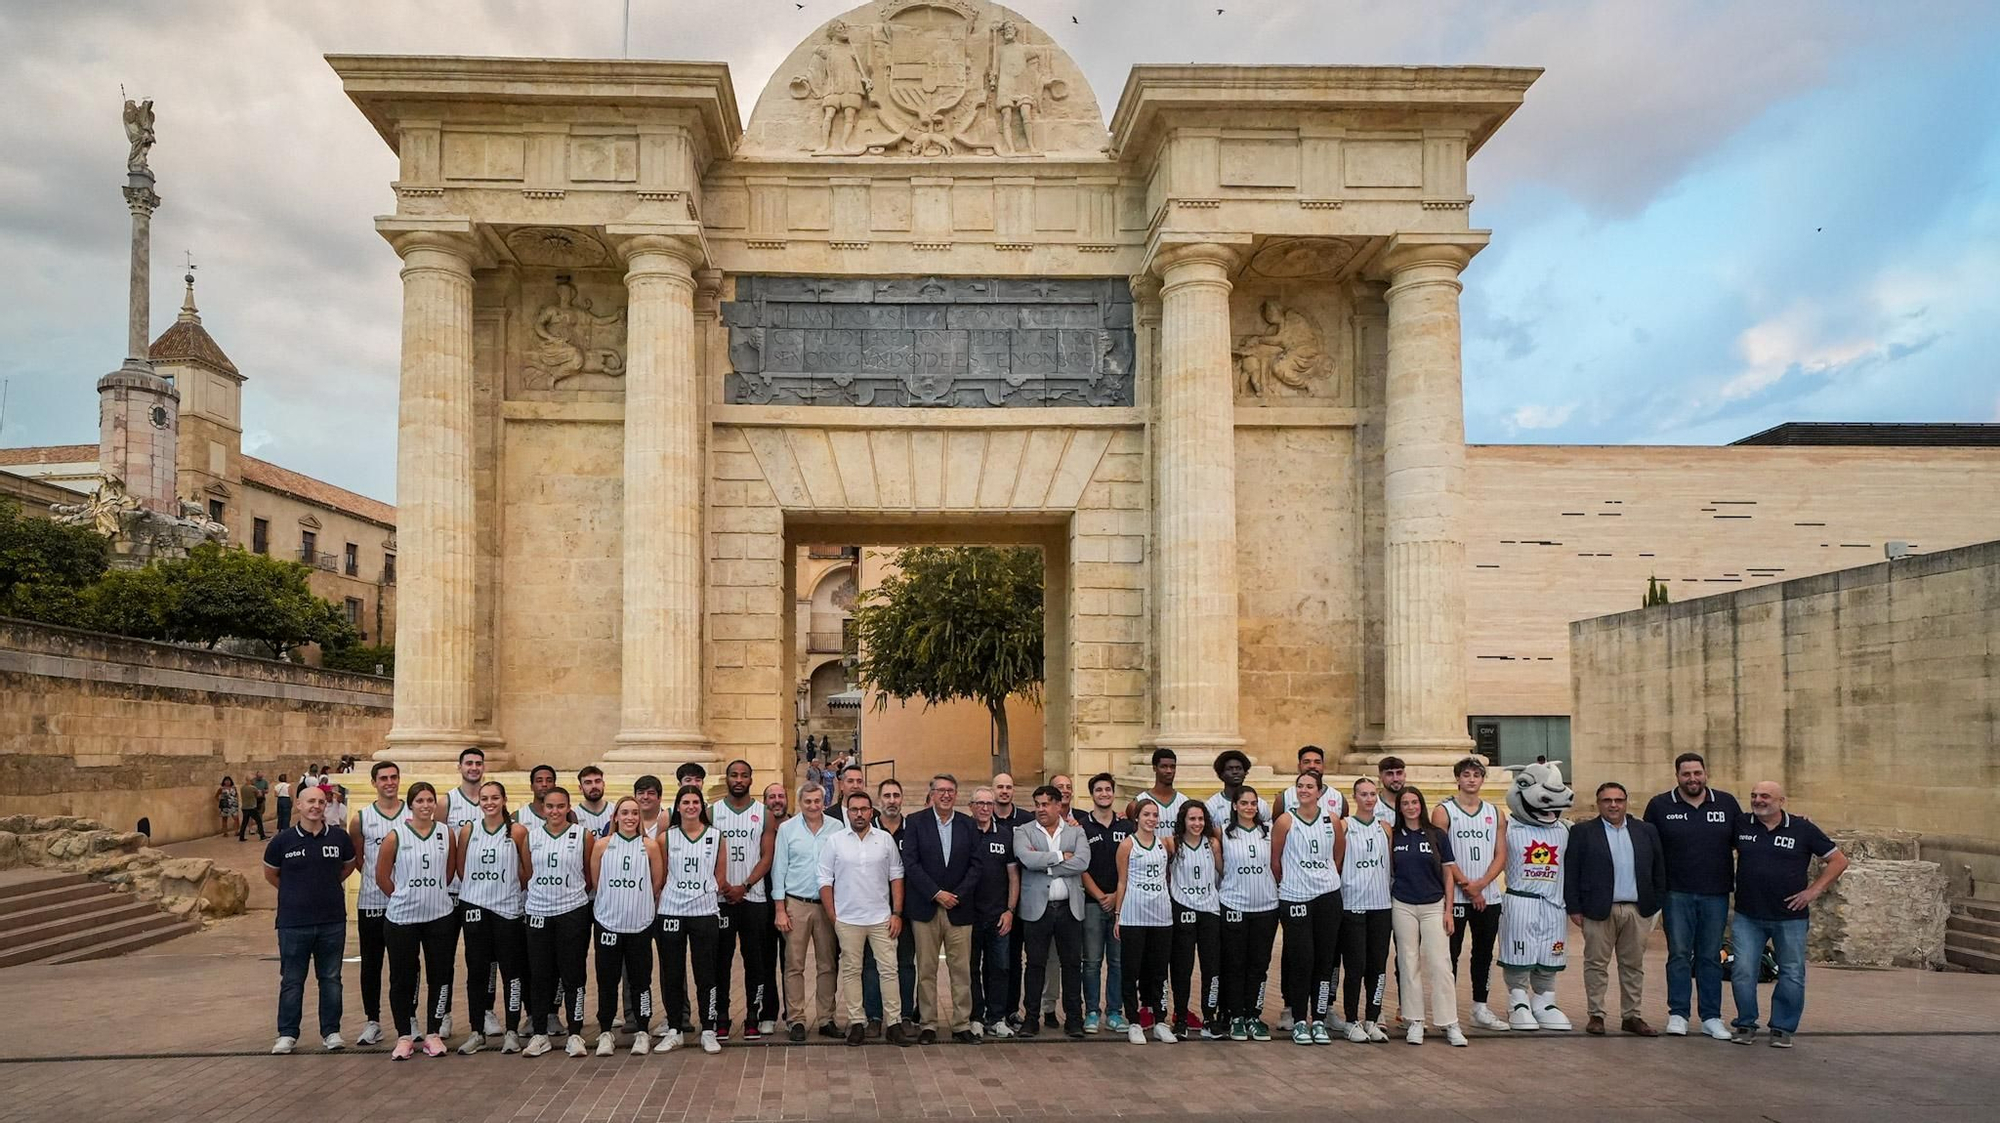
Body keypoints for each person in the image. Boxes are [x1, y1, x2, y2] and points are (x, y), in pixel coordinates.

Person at [1729, 781, 1848, 1048]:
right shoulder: (1741, 824)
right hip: (1749, 915)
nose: (1758, 800)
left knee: (1792, 973)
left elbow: (1839, 860)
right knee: (1743, 971)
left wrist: (1813, 891)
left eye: (1765, 796)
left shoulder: (1802, 828)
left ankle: (1782, 1027)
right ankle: (1745, 1023)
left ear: (1782, 801)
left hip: (1790, 917)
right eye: (1754, 796)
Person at [1643, 752, 1743, 1039]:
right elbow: (1648, 847)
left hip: (1716, 893)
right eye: (1686, 774)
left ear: (1705, 773)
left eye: (1697, 773)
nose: (1692, 779)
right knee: (1679, 955)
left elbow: (1749, 835)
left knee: (1711, 956)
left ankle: (1711, 1017)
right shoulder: (1660, 805)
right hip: (1676, 894)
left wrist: (1797, 821)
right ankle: (1678, 1014)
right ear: (1677, 776)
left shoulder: (1725, 803)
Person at [1566, 781, 1667, 1036]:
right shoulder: (1583, 832)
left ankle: (1632, 1016)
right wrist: (1574, 907)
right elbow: (1572, 871)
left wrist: (1656, 903)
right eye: (1607, 800)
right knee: (1596, 964)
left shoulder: (1646, 831)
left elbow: (1658, 870)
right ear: (1598, 804)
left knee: (1633, 965)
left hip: (1637, 909)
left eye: (1618, 800)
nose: (1613, 805)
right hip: (1598, 909)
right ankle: (1596, 1015)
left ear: (1626, 802)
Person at [264, 783, 355, 1054]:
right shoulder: (282, 841)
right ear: (299, 806)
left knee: (331, 978)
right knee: (292, 980)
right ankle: (287, 1034)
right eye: (310, 801)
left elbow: (348, 866)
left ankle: (331, 1032)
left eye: (321, 801)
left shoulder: (339, 838)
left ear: (326, 805)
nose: (316, 806)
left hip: (331, 920)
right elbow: (272, 874)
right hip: (293, 922)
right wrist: (296, 891)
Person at [819, 789, 913, 1047]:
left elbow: (896, 876)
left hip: (881, 918)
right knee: (851, 971)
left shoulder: (884, 840)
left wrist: (897, 913)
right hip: (848, 919)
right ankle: (857, 1022)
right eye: (854, 810)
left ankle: (893, 1023)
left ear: (872, 812)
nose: (859, 814)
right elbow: (825, 880)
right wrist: (833, 916)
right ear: (847, 812)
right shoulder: (835, 841)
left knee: (889, 970)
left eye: (864, 809)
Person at [378, 782, 457, 1060]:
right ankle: (404, 1035)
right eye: (420, 800)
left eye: (430, 800)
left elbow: (449, 872)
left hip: (439, 916)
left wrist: (431, 893)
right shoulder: (395, 836)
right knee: (402, 977)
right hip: (402, 918)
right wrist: (404, 896)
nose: (425, 805)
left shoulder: (446, 833)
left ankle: (434, 1033)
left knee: (440, 975)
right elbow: (382, 876)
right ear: (410, 804)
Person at [903, 774, 982, 1044]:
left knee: (961, 970)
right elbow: (910, 864)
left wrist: (955, 895)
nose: (946, 795)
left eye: (950, 790)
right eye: (940, 791)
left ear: (956, 794)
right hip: (926, 907)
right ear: (932, 794)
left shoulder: (968, 825)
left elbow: (976, 865)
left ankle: (961, 1024)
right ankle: (928, 1023)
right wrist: (936, 894)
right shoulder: (915, 822)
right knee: (926, 969)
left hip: (960, 909)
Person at [1434, 756, 1510, 1032]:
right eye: (1466, 775)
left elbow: (1501, 855)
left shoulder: (1495, 812)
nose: (1471, 779)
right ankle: (1448, 1011)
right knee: (1449, 954)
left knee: (1484, 953)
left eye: (1476, 775)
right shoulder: (1443, 811)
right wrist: (1468, 885)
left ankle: (1480, 1006)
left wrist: (1482, 885)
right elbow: (1442, 853)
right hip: (1456, 895)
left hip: (1487, 895)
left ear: (1482, 779)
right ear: (1458, 778)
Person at [454, 779, 529, 1055]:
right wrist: (478, 891)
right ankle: (477, 1031)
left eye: (494, 798)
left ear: (504, 800)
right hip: (474, 906)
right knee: (477, 971)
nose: (489, 803)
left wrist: (506, 889)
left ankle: (511, 1030)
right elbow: (461, 868)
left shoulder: (518, 831)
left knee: (512, 972)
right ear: (479, 802)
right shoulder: (468, 830)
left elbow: (526, 871)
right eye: (484, 798)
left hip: (507, 909)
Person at [1273, 770, 1346, 1045]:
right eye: (1300, 786)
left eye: (1310, 786)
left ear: (1319, 791)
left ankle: (1318, 1019)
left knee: (1325, 960)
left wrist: (1327, 878)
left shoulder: (1332, 819)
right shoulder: (1285, 820)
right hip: (1295, 897)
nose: (1304, 790)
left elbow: (1338, 854)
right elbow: (1276, 860)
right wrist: (1291, 883)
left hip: (1327, 895)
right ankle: (1300, 1020)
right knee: (1302, 959)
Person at [1389, 787, 1466, 1046]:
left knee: (1441, 963)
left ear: (1421, 805)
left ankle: (1449, 1022)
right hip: (1403, 904)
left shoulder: (1437, 835)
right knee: (1408, 963)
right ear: (1399, 808)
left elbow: (1448, 874)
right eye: (1405, 803)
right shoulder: (1393, 835)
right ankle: (1415, 1021)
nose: (1411, 807)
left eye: (1415, 802)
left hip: (1434, 904)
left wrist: (1449, 910)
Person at [655, 784, 727, 1055]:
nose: (690, 807)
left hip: (704, 911)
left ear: (702, 807)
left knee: (706, 973)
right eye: (685, 802)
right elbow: (660, 877)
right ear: (678, 807)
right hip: (672, 910)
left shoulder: (716, 836)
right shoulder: (666, 838)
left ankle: (708, 1029)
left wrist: (704, 893)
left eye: (695, 802)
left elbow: (720, 877)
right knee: (672, 972)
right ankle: (674, 1029)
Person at [523, 786, 593, 1058]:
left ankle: (575, 1033)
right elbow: (529, 873)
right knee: (540, 974)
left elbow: (588, 873)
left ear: (568, 807)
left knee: (573, 974)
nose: (554, 811)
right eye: (550, 806)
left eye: (560, 806)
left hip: (572, 910)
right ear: (543, 808)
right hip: (539, 911)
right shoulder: (532, 837)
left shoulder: (581, 836)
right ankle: (540, 1033)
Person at [1014, 784, 1089, 1039]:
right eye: (1037, 804)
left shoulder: (1076, 832)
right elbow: (1025, 858)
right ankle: (1031, 1019)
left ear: (1059, 805)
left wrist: (1045, 865)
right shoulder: (1024, 831)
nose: (1040, 809)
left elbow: (1082, 862)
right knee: (1034, 964)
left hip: (1069, 909)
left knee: (1071, 965)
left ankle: (1073, 1019)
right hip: (1038, 910)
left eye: (1045, 804)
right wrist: (1059, 856)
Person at [590, 796, 663, 1055]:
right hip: (608, 923)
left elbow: (656, 883)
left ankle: (643, 1030)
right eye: (625, 813)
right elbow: (597, 882)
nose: (630, 817)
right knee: (607, 980)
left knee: (641, 980)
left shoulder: (650, 846)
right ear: (616, 817)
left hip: (640, 924)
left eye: (634, 813)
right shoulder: (602, 845)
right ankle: (605, 1031)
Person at [711, 760, 776, 1041]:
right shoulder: (712, 812)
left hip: (754, 898)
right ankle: (721, 1016)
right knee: (720, 961)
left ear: (752, 779)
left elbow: (767, 856)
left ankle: (753, 1014)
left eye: (744, 775)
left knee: (756, 961)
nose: (739, 779)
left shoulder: (763, 814)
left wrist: (746, 885)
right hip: (722, 898)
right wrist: (725, 885)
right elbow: (707, 853)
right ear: (726, 778)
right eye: (734, 775)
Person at [774, 783, 843, 1042]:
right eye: (808, 802)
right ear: (800, 803)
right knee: (794, 964)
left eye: (817, 801)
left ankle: (826, 1018)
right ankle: (796, 1019)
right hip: (796, 904)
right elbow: (779, 870)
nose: (813, 806)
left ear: (824, 802)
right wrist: (780, 909)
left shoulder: (837, 828)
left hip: (827, 905)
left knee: (828, 963)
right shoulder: (787, 830)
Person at [349, 760, 411, 1047]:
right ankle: (372, 1020)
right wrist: (380, 879)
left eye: (394, 777)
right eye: (384, 778)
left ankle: (409, 1019)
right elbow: (359, 858)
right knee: (372, 963)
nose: (389, 782)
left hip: (407, 902)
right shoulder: (361, 818)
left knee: (407, 964)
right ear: (374, 783)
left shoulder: (411, 814)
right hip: (372, 901)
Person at [1218, 786, 1279, 1041]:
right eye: (1244, 803)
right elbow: (1219, 865)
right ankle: (1236, 1016)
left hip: (1266, 906)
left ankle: (1254, 1014)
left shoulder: (1270, 832)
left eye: (1253, 803)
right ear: (1235, 806)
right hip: (1234, 904)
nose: (1249, 807)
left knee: (1259, 965)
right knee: (1234, 964)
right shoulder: (1222, 833)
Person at [1112, 798, 1175, 1044]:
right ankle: (1134, 1021)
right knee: (1131, 970)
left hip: (1161, 915)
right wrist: (1118, 916)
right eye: (1146, 814)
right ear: (1136, 817)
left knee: (1159, 971)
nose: (1151, 819)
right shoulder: (1128, 845)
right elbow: (1121, 882)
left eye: (1155, 815)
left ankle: (1160, 1019)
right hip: (1134, 915)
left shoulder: (1164, 843)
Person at [1338, 778, 1394, 1042]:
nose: (1369, 799)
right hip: (1353, 905)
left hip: (1381, 905)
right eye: (1363, 794)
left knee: (1377, 966)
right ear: (1355, 797)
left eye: (1373, 794)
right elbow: (1336, 861)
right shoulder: (1345, 826)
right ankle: (1351, 1020)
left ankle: (1372, 1017)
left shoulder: (1385, 828)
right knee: (1355, 966)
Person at [1077, 772, 1132, 1034]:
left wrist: (1115, 899)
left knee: (1118, 961)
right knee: (1091, 961)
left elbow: (1132, 865)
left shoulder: (1126, 827)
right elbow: (1080, 867)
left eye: (1108, 790)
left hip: (1121, 905)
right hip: (1092, 903)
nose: (1104, 794)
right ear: (1092, 795)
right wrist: (1100, 896)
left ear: (1113, 793)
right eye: (1099, 790)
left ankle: (1114, 1012)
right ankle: (1091, 1012)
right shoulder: (1081, 827)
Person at [965, 785, 1021, 1038]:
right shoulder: (963, 833)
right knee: (971, 968)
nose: (985, 808)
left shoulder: (1006, 835)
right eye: (980, 804)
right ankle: (976, 1016)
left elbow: (1013, 876)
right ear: (971, 807)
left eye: (989, 804)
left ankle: (996, 1017)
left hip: (998, 915)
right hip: (969, 916)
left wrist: (1010, 910)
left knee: (1000, 967)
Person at [1166, 800, 1223, 1040]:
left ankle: (1209, 1016)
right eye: (1192, 819)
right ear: (1183, 820)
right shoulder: (1172, 843)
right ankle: (1180, 1017)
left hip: (1210, 910)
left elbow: (1222, 872)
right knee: (1182, 967)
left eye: (1200, 819)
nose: (1197, 823)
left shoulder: (1213, 843)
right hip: (1183, 908)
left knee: (1211, 967)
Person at [759, 781, 789, 1032]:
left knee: (791, 962)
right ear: (764, 800)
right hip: (762, 902)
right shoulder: (758, 826)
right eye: (771, 796)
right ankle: (767, 1012)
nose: (777, 800)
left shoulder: (798, 826)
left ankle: (793, 1013)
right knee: (765, 960)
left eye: (780, 796)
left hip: (793, 902)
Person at [1204, 750, 1270, 828]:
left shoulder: (1261, 804)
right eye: (1230, 769)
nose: (1235, 772)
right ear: (1220, 775)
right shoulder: (1212, 805)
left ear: (1245, 773)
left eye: (1238, 768)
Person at [1132, 748, 1188, 823]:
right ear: (1155, 768)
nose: (1169, 771)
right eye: (1164, 766)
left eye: (1172, 767)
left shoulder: (1184, 801)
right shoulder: (1137, 803)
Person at [573, 766, 613, 837]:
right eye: (588, 783)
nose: (594, 786)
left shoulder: (615, 810)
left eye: (598, 781)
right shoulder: (573, 814)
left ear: (603, 784)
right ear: (580, 788)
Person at [240, 771, 269, 841]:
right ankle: (262, 836)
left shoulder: (242, 787)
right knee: (259, 821)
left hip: (244, 807)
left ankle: (241, 837)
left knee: (244, 822)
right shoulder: (253, 788)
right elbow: (259, 795)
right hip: (252, 807)